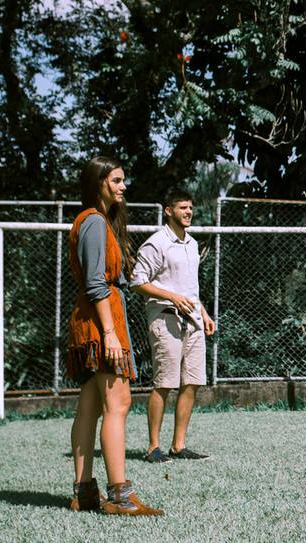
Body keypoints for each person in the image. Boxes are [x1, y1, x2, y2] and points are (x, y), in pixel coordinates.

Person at [66, 155, 163, 516]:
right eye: (118, 180)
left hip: (92, 322)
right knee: (118, 405)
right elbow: (95, 283)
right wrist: (109, 333)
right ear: (101, 181)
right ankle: (120, 497)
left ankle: (85, 493)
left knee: (90, 407)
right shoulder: (93, 222)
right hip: (101, 323)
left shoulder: (95, 221)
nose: (124, 187)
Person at [130, 189, 215, 463]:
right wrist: (171, 297)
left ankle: (179, 446)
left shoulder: (191, 243)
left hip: (193, 320)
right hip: (165, 318)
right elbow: (137, 282)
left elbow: (189, 287)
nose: (188, 212)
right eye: (182, 208)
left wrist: (204, 312)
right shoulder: (157, 243)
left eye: (190, 207)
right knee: (164, 383)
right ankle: (153, 448)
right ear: (168, 211)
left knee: (191, 382)